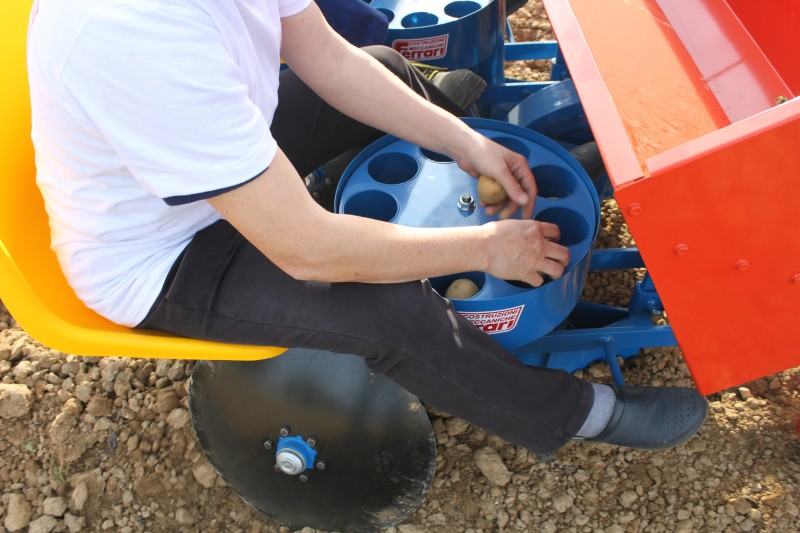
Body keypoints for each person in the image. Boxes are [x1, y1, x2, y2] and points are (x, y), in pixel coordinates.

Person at [26, 0, 707, 455]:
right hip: (166, 252)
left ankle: (491, 187)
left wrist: (464, 143)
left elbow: (330, 59)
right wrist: (479, 246)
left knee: (384, 69)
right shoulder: (129, 36)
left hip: (221, 163)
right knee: (393, 309)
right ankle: (579, 413)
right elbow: (306, 249)